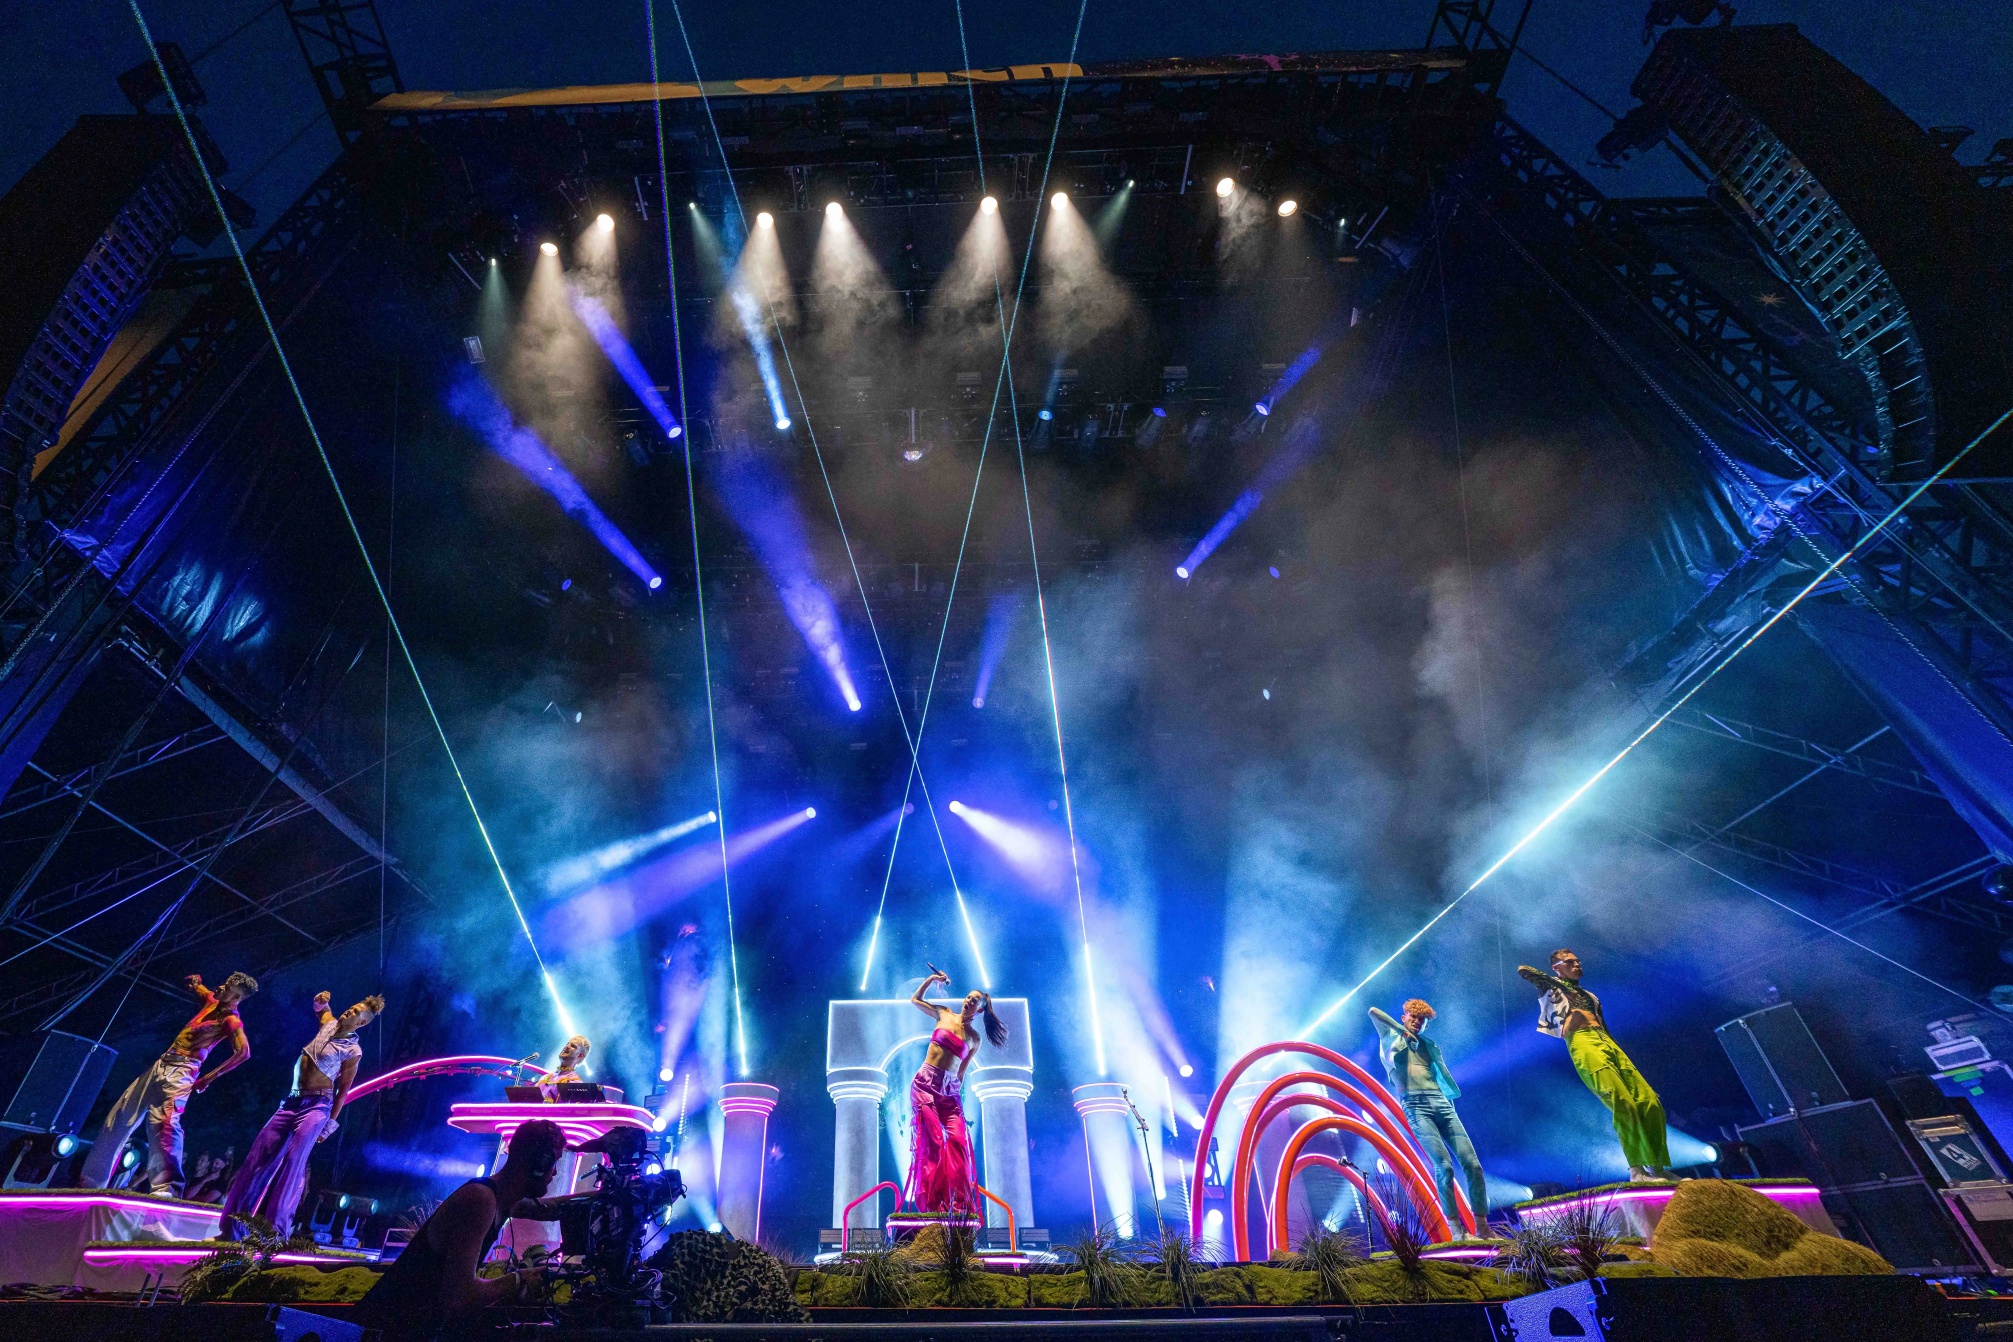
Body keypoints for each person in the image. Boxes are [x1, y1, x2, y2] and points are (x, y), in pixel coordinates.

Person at [351, 1118, 572, 1336]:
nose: (553, 1173)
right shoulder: (481, 1200)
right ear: (539, 1164)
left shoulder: (503, 1200)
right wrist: (519, 1279)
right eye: (554, 1163)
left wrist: (602, 1196)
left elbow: (551, 1207)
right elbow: (458, 1296)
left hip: (407, 1328)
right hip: (385, 1329)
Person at [220, 989, 383, 1238]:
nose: (350, 1009)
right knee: (256, 1160)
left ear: (360, 1023)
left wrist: (330, 1125)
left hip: (317, 1107)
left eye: (356, 1012)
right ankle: (231, 1230)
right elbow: (322, 1009)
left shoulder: (353, 1051)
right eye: (352, 1005)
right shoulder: (329, 1024)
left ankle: (274, 1236)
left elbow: (343, 1092)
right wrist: (321, 1001)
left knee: (293, 1163)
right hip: (290, 1102)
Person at [80, 971, 257, 1195]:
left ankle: (167, 1190)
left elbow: (243, 1053)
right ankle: (91, 1184)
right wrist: (194, 983)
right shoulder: (212, 1000)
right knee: (119, 1117)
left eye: (228, 987)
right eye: (225, 982)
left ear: (237, 997)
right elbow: (197, 987)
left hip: (183, 1070)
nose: (222, 986)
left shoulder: (231, 1021)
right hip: (161, 1063)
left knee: (164, 1124)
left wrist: (208, 1078)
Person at [1518, 948, 1671, 1181]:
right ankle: (1637, 1171)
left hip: (1607, 1042)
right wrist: (1557, 983)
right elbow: (1525, 971)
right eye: (1570, 962)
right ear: (1557, 967)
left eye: (1578, 960)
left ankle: (1658, 1169)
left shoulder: (1590, 995)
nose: (1577, 964)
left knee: (1650, 1101)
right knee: (1623, 1103)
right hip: (1583, 1042)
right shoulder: (1552, 987)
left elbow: (1603, 1024)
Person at [1368, 998, 1487, 1236]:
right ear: (1404, 1018)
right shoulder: (1390, 1038)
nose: (1416, 1022)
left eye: (1421, 1021)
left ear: (1425, 1026)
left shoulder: (1429, 1045)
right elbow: (1373, 1011)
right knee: (1444, 1167)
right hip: (1416, 1105)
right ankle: (1456, 1230)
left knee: (1473, 1164)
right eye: (1412, 1017)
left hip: (1442, 1104)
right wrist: (1403, 1032)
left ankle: (1483, 1226)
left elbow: (1440, 1076)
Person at [905, 968, 1007, 1216]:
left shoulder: (974, 1038)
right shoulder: (943, 1013)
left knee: (959, 1142)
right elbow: (915, 1000)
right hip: (925, 1084)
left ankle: (959, 1207)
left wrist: (954, 1092)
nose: (969, 1001)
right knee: (934, 1142)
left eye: (975, 1001)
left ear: (979, 1010)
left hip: (949, 1092)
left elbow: (961, 1072)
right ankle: (932, 1206)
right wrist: (931, 979)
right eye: (968, 997)